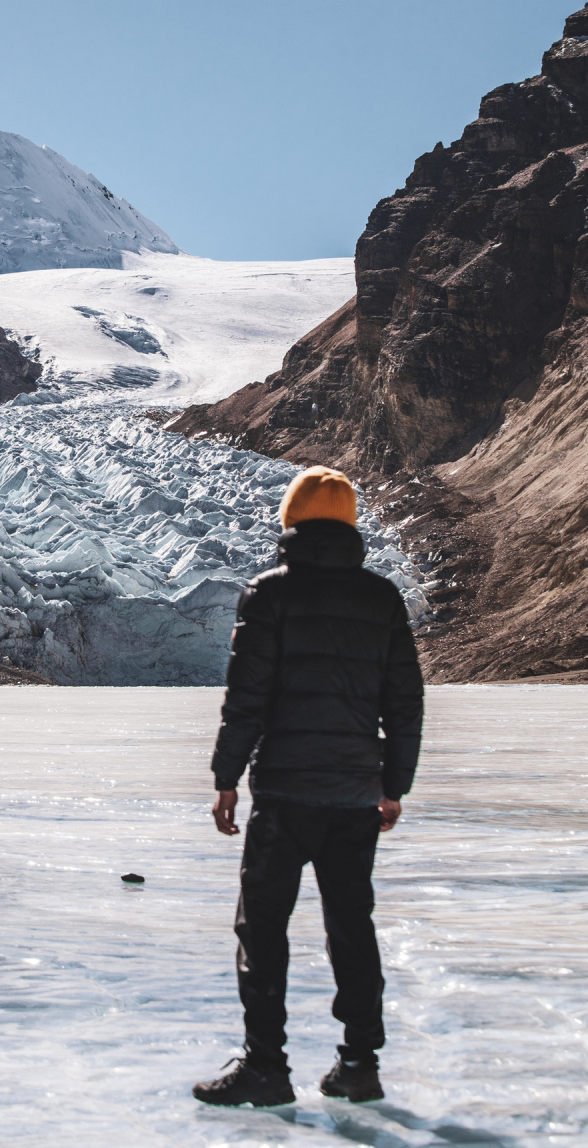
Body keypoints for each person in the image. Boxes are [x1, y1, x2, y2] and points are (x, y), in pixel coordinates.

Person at [192, 465, 424, 1108]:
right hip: (355, 795)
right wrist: (393, 785)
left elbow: (247, 699)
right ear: (350, 526)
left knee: (262, 928)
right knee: (352, 924)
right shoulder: (383, 599)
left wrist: (226, 779)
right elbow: (404, 703)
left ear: (290, 523)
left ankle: (266, 1066)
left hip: (286, 794)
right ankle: (359, 1065)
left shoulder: (268, 595)